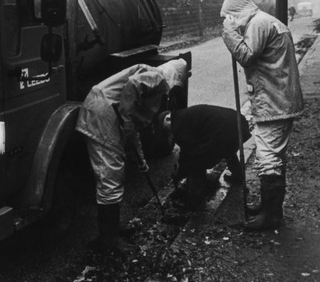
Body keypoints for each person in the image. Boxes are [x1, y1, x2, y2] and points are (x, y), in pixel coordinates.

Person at [75, 59, 188, 252]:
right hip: (103, 114)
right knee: (110, 176)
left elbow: (133, 126)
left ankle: (112, 230)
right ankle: (108, 239)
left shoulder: (150, 85)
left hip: (105, 112)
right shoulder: (157, 77)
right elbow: (132, 89)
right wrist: (126, 119)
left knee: (113, 174)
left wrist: (141, 159)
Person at [221, 0, 304, 230]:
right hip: (278, 98)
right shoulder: (267, 21)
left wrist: (229, 33)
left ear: (236, 12)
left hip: (274, 102)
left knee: (268, 158)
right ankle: (270, 209)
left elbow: (246, 55)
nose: (228, 21)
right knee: (275, 157)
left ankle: (271, 217)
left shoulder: (257, 24)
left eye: (229, 16)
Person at [160, 105, 251, 210]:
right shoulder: (183, 114)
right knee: (228, 149)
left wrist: (179, 173)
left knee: (195, 162)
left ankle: (194, 201)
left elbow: (187, 154)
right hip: (238, 122)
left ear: (168, 119)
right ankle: (238, 176)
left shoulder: (179, 125)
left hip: (224, 129)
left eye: (166, 130)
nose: (168, 133)